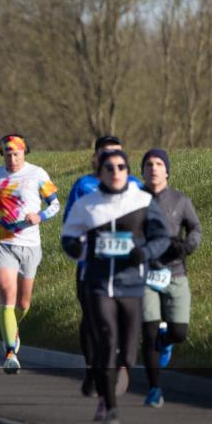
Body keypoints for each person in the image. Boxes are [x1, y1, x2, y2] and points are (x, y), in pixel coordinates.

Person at [61, 149, 170, 424]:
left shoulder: (142, 201)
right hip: (98, 283)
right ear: (101, 173)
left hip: (131, 284)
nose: (116, 172)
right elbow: (68, 235)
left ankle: (105, 383)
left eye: (121, 167)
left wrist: (144, 253)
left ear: (127, 170)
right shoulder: (87, 204)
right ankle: (110, 408)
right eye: (109, 167)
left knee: (129, 355)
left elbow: (161, 238)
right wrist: (74, 247)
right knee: (107, 341)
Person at [63, 135, 142, 397]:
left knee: (120, 323)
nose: (112, 162)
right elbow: (70, 224)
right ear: (96, 157)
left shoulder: (134, 186)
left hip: (125, 268)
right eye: (106, 155)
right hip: (91, 266)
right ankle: (91, 370)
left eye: (117, 155)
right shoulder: (83, 186)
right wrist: (78, 244)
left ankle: (116, 366)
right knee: (91, 321)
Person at [0, 134, 60, 374]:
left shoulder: (38, 174)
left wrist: (40, 216)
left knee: (24, 303)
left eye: (15, 154)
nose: (11, 158)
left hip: (30, 245)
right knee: (7, 294)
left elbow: (55, 205)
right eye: (7, 154)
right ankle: (10, 352)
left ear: (24, 153)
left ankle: (13, 329)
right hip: (3, 242)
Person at [140, 149, 202, 408]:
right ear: (142, 172)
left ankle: (167, 341)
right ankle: (154, 389)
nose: (153, 168)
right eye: (148, 165)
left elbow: (196, 227)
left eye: (158, 164)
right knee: (149, 330)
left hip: (175, 272)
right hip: (144, 275)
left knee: (179, 332)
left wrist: (188, 245)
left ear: (167, 170)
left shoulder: (180, 200)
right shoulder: (135, 200)